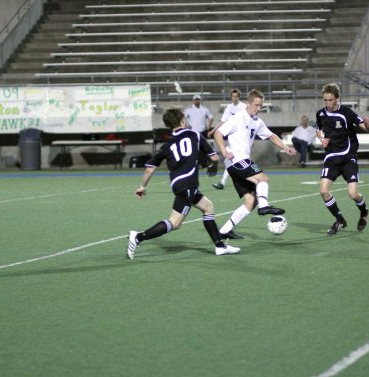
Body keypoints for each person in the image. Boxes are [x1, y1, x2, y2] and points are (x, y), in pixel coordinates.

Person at [126, 107, 240, 259]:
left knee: (208, 207)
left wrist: (142, 187)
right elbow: (214, 158)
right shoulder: (194, 135)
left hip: (180, 185)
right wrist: (213, 166)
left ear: (168, 125)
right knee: (175, 223)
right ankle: (138, 237)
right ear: (183, 121)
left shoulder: (167, 145)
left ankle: (220, 246)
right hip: (188, 184)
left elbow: (149, 169)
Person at [213, 89, 296, 240]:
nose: (259, 108)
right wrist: (224, 151)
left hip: (238, 163)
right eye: (256, 105)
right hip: (237, 159)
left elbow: (271, 136)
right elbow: (217, 133)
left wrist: (285, 147)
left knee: (251, 201)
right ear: (249, 103)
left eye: (260, 106)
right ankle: (264, 206)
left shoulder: (257, 121)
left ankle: (224, 231)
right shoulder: (238, 118)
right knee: (263, 179)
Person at [315, 82, 369, 236]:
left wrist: (368, 126)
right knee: (323, 191)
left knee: (353, 194)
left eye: (330, 100)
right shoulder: (320, 114)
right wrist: (322, 139)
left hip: (348, 157)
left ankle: (364, 211)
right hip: (332, 157)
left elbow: (362, 125)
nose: (327, 103)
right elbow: (318, 129)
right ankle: (340, 219)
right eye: (325, 100)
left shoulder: (346, 111)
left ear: (337, 99)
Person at [210, 88, 246, 189]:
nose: (234, 98)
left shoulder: (244, 107)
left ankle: (223, 182)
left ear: (239, 97)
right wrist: (213, 131)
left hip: (241, 138)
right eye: (233, 96)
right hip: (232, 138)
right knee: (232, 159)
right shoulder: (229, 107)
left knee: (234, 159)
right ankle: (223, 182)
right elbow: (222, 121)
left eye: (236, 96)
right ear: (231, 97)